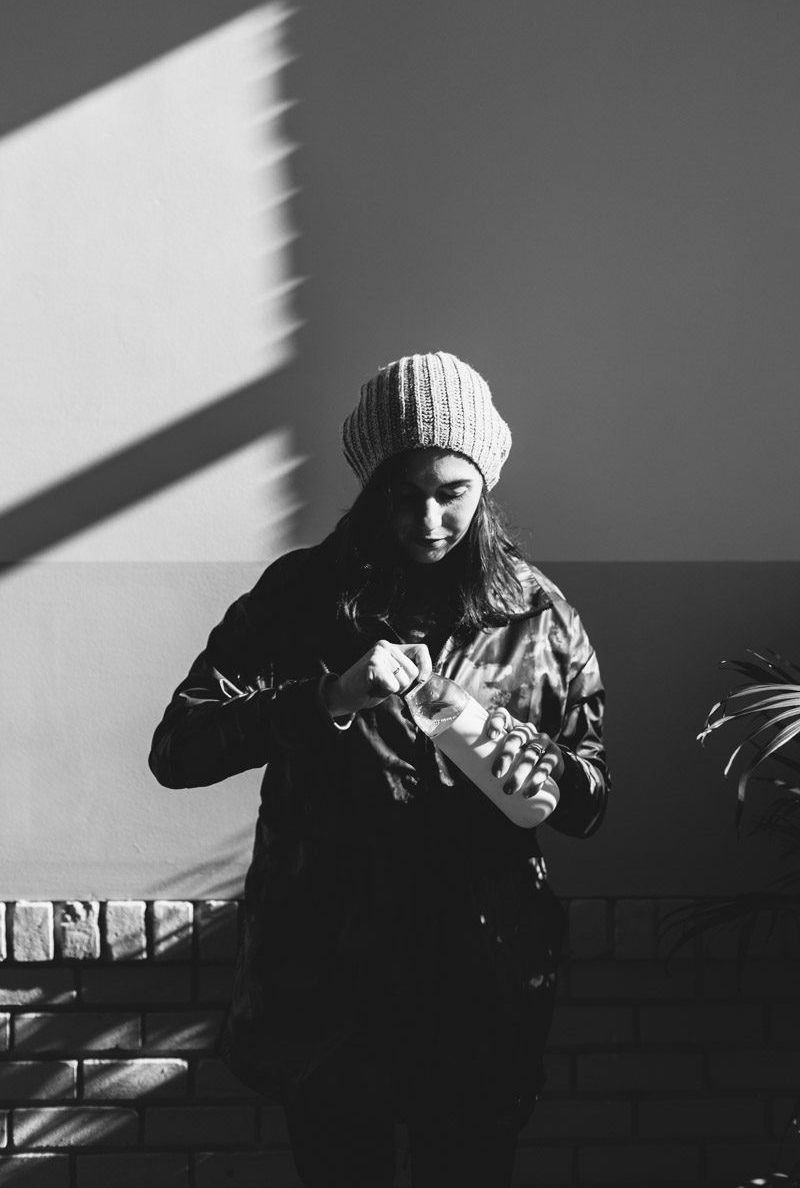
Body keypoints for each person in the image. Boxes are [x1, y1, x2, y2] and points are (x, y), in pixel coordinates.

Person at [149, 351, 609, 1187]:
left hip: (482, 977)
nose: (429, 518)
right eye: (404, 493)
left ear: (485, 486)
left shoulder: (536, 615)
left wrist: (530, 766)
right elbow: (179, 746)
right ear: (370, 487)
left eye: (451, 492)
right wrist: (325, 695)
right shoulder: (299, 599)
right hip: (328, 979)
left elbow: (587, 800)